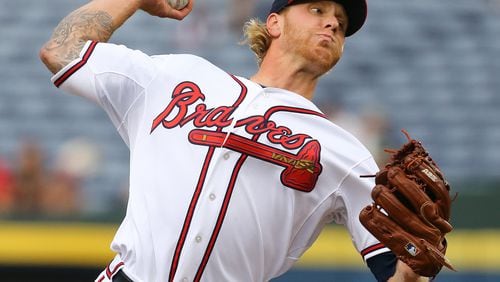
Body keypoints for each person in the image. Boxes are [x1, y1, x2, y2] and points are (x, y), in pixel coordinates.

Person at [39, 0, 430, 281]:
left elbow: (395, 269)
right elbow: (62, 51)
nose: (332, 24)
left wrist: (413, 271)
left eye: (341, 23)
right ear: (274, 23)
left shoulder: (345, 152)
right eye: (317, 10)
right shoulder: (180, 76)